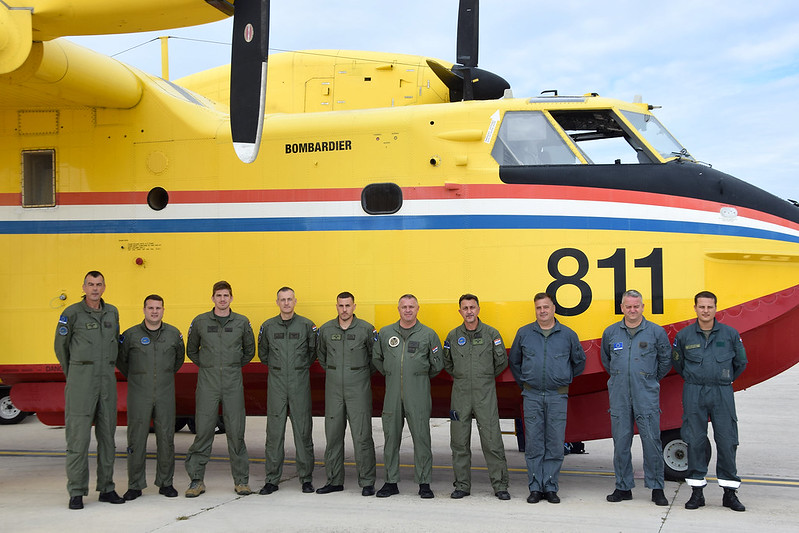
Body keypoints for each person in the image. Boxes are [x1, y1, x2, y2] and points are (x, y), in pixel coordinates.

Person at [54, 270, 124, 510]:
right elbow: (61, 347)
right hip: (81, 381)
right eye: (91, 284)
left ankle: (107, 488)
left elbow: (115, 340)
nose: (95, 288)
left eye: (99, 284)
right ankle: (76, 491)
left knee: (108, 437)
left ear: (104, 287)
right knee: (78, 438)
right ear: (83, 287)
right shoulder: (71, 313)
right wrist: (75, 374)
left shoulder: (112, 312)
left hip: (107, 380)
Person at [672, 291, 747, 512]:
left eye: (710, 307)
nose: (706, 311)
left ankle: (729, 493)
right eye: (702, 307)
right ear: (694, 308)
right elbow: (679, 365)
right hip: (694, 391)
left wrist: (722, 379)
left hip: (722, 391)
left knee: (727, 440)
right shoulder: (684, 336)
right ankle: (697, 493)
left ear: (716, 308)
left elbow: (740, 363)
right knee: (694, 441)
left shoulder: (730, 334)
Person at [509, 292, 586, 504]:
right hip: (531, 396)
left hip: (557, 396)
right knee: (533, 444)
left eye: (546, 307)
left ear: (554, 308)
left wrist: (564, 377)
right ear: (535, 310)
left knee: (554, 443)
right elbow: (514, 362)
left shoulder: (567, 335)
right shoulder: (524, 334)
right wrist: (525, 382)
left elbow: (579, 362)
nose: (542, 311)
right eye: (538, 308)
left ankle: (550, 487)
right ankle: (535, 487)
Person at [184, 281, 255, 498]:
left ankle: (241, 481)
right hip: (208, 383)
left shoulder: (242, 322)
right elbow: (191, 350)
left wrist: (232, 366)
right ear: (212, 298)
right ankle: (196, 481)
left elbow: (249, 351)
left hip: (233, 382)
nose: (222, 299)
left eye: (226, 295)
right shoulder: (200, 321)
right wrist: (209, 366)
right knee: (203, 432)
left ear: (231, 298)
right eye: (218, 295)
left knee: (236, 433)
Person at [601, 289, 672, 506]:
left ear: (643, 307)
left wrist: (648, 379)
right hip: (619, 395)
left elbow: (665, 360)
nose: (632, 310)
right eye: (628, 306)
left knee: (652, 442)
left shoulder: (655, 332)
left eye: (636, 306)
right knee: (621, 443)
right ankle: (623, 486)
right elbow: (607, 360)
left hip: (646, 394)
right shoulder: (611, 333)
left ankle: (657, 487)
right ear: (622, 308)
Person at [373, 294, 443, 499]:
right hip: (392, 393)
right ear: (398, 309)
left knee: (422, 438)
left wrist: (417, 375)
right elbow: (377, 359)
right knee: (390, 438)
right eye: (404, 306)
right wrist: (393, 372)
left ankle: (424, 483)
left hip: (418, 393)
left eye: (411, 306)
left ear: (418, 308)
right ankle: (390, 482)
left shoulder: (428, 334)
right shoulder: (386, 333)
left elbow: (437, 364)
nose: (408, 310)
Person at [117, 294, 185, 500]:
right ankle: (135, 485)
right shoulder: (130, 336)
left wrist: (162, 376)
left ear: (163, 310)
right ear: (144, 310)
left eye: (158, 308)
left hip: (165, 392)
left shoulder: (174, 334)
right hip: (139, 393)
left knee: (166, 438)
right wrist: (140, 378)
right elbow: (122, 361)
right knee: (136, 438)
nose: (154, 311)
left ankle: (166, 483)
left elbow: (178, 360)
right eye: (150, 308)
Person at [443, 294, 511, 501]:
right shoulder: (453, 336)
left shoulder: (491, 334)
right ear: (460, 311)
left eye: (472, 307)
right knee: (459, 442)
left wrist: (484, 377)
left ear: (478, 309)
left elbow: (501, 362)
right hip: (460, 394)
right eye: (465, 308)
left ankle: (500, 486)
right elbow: (448, 364)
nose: (469, 311)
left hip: (485, 394)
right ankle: (462, 485)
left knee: (492, 441)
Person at [316, 292, 378, 496]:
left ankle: (367, 481)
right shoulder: (326, 330)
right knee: (333, 436)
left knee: (362, 437)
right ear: (336, 307)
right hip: (333, 390)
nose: (344, 309)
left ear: (354, 306)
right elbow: (322, 358)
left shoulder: (366, 329)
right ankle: (334, 480)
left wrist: (356, 375)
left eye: (348, 305)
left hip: (358, 390)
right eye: (341, 306)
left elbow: (374, 359)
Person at [258, 287, 317, 495]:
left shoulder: (307, 326)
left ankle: (306, 478)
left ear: (295, 301)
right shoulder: (267, 326)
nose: (286, 303)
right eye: (282, 299)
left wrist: (296, 369)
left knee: (303, 432)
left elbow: (312, 353)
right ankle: (272, 479)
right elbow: (263, 354)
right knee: (274, 433)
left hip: (300, 384)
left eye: (289, 299)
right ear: (277, 302)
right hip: (276, 385)